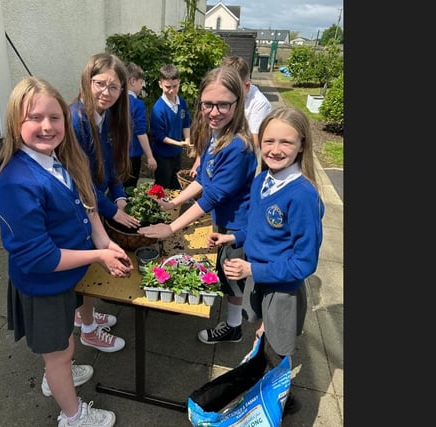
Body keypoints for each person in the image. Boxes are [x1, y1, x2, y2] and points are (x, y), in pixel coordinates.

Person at [0, 76, 132, 427]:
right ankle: (73, 416)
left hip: (63, 279)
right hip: (45, 284)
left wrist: (104, 240)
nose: (47, 126)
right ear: (15, 123)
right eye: (34, 118)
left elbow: (87, 202)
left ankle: (56, 374)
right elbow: (39, 258)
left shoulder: (58, 159)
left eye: (55, 117)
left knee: (62, 345)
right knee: (59, 353)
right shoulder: (15, 182)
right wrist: (98, 256)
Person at [206, 105, 325, 416]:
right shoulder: (262, 182)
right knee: (260, 331)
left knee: (277, 348)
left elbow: (304, 263)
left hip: (282, 288)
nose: (275, 149)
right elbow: (257, 227)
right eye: (269, 141)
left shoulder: (301, 196)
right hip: (258, 279)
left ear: (302, 144)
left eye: (286, 142)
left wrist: (251, 268)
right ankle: (266, 385)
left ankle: (280, 402)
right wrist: (234, 238)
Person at [138, 66, 257, 344]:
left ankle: (234, 326)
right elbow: (203, 178)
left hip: (238, 223)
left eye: (223, 104)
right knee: (227, 272)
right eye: (208, 104)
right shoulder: (216, 134)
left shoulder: (238, 146)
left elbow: (212, 195)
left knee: (233, 276)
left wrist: (171, 228)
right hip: (224, 217)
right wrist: (173, 203)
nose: (214, 112)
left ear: (238, 103)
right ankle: (234, 319)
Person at [70, 53, 140, 353]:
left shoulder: (106, 115)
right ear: (88, 80)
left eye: (114, 87)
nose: (106, 92)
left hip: (94, 205)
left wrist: (120, 194)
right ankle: (88, 330)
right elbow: (79, 179)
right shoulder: (75, 119)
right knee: (85, 268)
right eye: (100, 84)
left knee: (88, 268)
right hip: (79, 207)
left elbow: (108, 165)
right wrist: (113, 210)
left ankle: (84, 313)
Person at [189, 55, 272, 177]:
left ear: (246, 86)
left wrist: (220, 158)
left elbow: (253, 142)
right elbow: (208, 131)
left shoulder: (260, 103)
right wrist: (199, 160)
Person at [149, 63, 191, 189]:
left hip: (176, 153)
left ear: (179, 83)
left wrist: (187, 140)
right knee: (162, 185)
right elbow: (159, 136)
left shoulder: (182, 103)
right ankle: (159, 207)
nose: (171, 90)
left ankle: (173, 207)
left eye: (175, 86)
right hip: (162, 154)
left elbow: (186, 122)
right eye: (167, 87)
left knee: (176, 183)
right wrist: (179, 143)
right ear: (160, 84)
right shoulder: (158, 108)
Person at [123, 62, 157, 189]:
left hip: (114, 154)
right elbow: (141, 132)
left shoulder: (115, 101)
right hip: (132, 155)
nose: (141, 87)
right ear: (133, 81)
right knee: (129, 190)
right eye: (141, 83)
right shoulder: (137, 104)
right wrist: (150, 156)